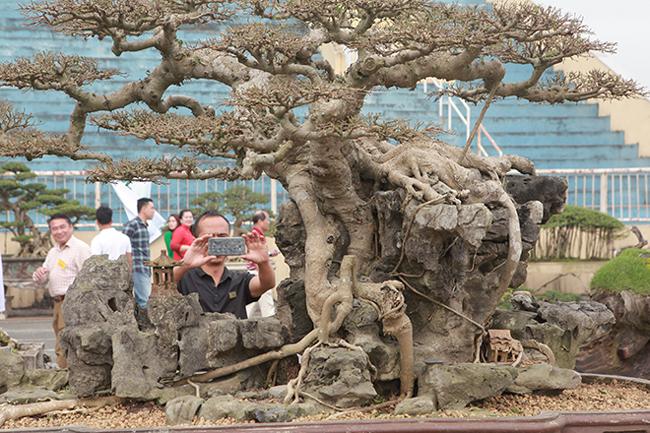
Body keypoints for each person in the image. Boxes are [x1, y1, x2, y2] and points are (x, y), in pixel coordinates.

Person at [173, 211, 275, 319]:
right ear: (195, 240)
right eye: (209, 238)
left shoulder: (240, 280)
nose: (217, 242)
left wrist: (263, 262)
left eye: (222, 237)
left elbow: (267, 284)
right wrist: (185, 264)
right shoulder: (184, 279)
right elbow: (163, 285)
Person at [32, 214, 91, 368]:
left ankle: (66, 375)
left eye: (62, 227)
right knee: (61, 341)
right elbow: (44, 277)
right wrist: (39, 275)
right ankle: (65, 374)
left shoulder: (80, 248)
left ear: (71, 227)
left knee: (65, 344)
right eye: (54, 228)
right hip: (58, 303)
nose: (58, 231)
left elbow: (90, 277)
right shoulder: (53, 252)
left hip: (73, 303)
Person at [245, 210, 280, 318]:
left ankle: (239, 320)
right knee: (268, 306)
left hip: (254, 273)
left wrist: (269, 254)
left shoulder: (256, 234)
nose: (269, 222)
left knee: (250, 305)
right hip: (258, 273)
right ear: (260, 221)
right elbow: (257, 258)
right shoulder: (256, 236)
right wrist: (263, 272)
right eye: (267, 220)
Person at [123, 197, 155, 309]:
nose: (154, 211)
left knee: (144, 300)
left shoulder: (144, 226)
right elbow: (123, 244)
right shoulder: (133, 224)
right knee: (143, 301)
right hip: (137, 268)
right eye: (152, 208)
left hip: (145, 268)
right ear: (144, 208)